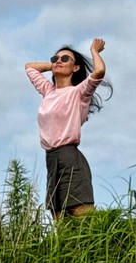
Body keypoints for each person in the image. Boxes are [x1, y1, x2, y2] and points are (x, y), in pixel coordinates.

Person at [24, 38, 111, 219]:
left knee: (84, 219)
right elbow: (29, 67)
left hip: (70, 158)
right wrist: (54, 65)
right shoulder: (48, 91)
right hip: (51, 160)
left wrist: (94, 51)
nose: (58, 61)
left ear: (76, 68)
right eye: (55, 58)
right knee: (61, 225)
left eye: (65, 59)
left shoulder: (79, 92)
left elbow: (99, 71)